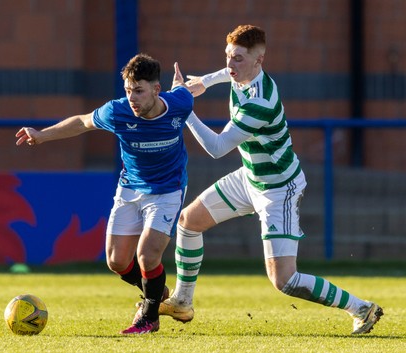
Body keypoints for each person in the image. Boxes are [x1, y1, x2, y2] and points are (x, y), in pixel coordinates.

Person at [159, 24, 383, 335]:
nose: (230, 65)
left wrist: (184, 110)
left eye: (238, 58)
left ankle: (361, 307)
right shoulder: (242, 75)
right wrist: (204, 83)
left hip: (279, 188)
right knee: (189, 221)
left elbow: (217, 148)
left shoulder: (259, 103)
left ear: (258, 61)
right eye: (228, 56)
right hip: (250, 177)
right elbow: (226, 75)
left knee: (285, 280)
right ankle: (182, 300)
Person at [15, 53, 194, 334]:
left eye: (138, 90)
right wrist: (42, 134)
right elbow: (82, 121)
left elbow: (186, 91)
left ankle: (148, 318)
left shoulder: (180, 105)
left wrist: (183, 86)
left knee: (147, 255)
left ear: (156, 90)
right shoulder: (118, 111)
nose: (132, 98)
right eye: (127, 90)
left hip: (167, 191)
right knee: (117, 261)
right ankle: (156, 291)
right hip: (130, 189)